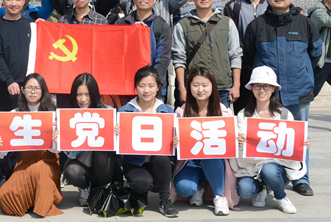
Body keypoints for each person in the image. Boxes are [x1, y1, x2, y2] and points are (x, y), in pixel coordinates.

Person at [243, 0, 321, 196]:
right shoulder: (257, 25)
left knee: (299, 137)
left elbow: (316, 53)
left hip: (298, 91)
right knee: (267, 136)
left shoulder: (305, 23)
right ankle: (267, 176)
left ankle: (301, 179)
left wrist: (303, 72)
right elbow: (249, 56)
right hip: (267, 95)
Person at [231, 66, 309, 214]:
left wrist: (302, 143)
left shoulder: (284, 114)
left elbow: (291, 144)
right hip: (251, 166)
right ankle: (262, 188)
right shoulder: (243, 115)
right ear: (252, 88)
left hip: (277, 167)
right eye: (257, 86)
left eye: (266, 86)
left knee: (269, 169)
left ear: (273, 89)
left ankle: (281, 196)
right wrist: (239, 142)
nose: (262, 90)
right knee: (245, 190)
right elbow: (240, 148)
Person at [171, 67, 238, 216]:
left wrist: (237, 140)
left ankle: (219, 196)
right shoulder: (181, 112)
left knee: (209, 153)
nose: (200, 89)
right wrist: (174, 143)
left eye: (205, 85)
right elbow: (174, 143)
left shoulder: (224, 112)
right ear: (189, 87)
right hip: (191, 161)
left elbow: (230, 144)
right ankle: (200, 186)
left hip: (215, 161)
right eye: (195, 85)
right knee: (184, 187)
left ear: (213, 87)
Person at [117, 66, 178, 217]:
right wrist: (116, 134)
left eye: (151, 86)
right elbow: (117, 147)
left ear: (158, 87)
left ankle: (165, 200)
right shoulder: (124, 111)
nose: (146, 90)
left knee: (162, 158)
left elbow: (173, 146)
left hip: (158, 162)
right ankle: (139, 192)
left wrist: (176, 142)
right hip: (134, 162)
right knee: (142, 183)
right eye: (142, 85)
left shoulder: (167, 111)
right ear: (135, 87)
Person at [0, 73, 62, 217]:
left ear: (43, 91)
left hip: (48, 161)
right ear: (22, 90)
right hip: (24, 163)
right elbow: (3, 153)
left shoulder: (53, 113)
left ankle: (41, 200)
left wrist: (56, 139)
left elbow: (58, 150)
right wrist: (0, 144)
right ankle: (33, 199)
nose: (33, 91)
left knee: (39, 169)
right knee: (5, 196)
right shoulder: (14, 114)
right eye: (29, 88)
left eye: (37, 88)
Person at [172, 0, 242, 108]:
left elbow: (235, 55)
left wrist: (236, 85)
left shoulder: (227, 23)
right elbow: (179, 59)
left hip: (222, 88)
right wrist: (182, 88)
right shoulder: (183, 25)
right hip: (195, 88)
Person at [62, 74, 117, 208]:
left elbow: (117, 149)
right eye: (79, 94)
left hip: (104, 165)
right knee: (71, 171)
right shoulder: (68, 116)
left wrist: (117, 134)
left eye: (87, 94)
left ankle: (102, 189)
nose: (83, 99)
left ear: (94, 93)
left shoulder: (108, 112)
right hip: (81, 163)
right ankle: (85, 188)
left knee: (103, 152)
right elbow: (70, 155)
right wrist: (64, 142)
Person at [56, 0, 107, 108]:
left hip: (93, 83)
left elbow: (106, 51)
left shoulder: (101, 21)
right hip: (67, 83)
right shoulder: (63, 21)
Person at [223, 0, 268, 113]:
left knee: (266, 109)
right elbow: (231, 36)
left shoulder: (271, 5)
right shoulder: (233, 6)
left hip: (267, 64)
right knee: (243, 110)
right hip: (242, 66)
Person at [118, 0, 172, 98]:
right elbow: (115, 51)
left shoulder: (161, 25)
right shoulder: (122, 23)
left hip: (151, 88)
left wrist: (153, 84)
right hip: (125, 86)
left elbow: (163, 59)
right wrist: (131, 31)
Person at [0, 0, 34, 112]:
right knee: (8, 122)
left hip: (32, 87)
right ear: (3, 0)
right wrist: (9, 81)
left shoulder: (33, 25)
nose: (14, 3)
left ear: (24, 0)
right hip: (7, 87)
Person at [308, 0, 331, 97]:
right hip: (322, 61)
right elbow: (329, 22)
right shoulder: (318, 12)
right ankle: (293, 108)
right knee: (311, 92)